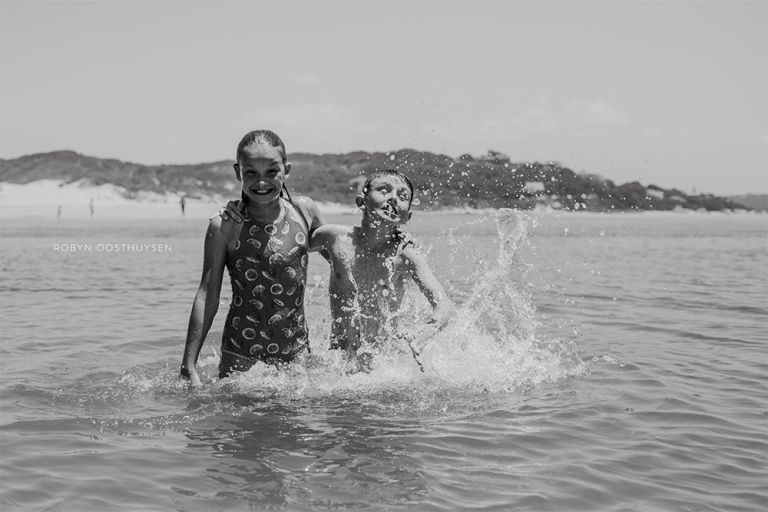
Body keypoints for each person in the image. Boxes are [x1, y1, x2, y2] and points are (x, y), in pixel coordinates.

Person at [179, 130, 323, 386]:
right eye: (251, 173)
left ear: (286, 170)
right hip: (241, 358)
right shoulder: (224, 226)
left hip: (297, 355)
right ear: (238, 172)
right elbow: (207, 295)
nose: (262, 182)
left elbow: (340, 254)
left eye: (272, 171)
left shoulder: (304, 211)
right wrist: (188, 364)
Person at [309, 170, 454, 365]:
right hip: (338, 361)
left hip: (380, 365)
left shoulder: (406, 254)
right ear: (361, 202)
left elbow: (445, 305)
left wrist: (425, 331)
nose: (393, 198)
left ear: (407, 217)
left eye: (403, 196)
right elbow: (290, 243)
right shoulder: (334, 238)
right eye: (384, 191)